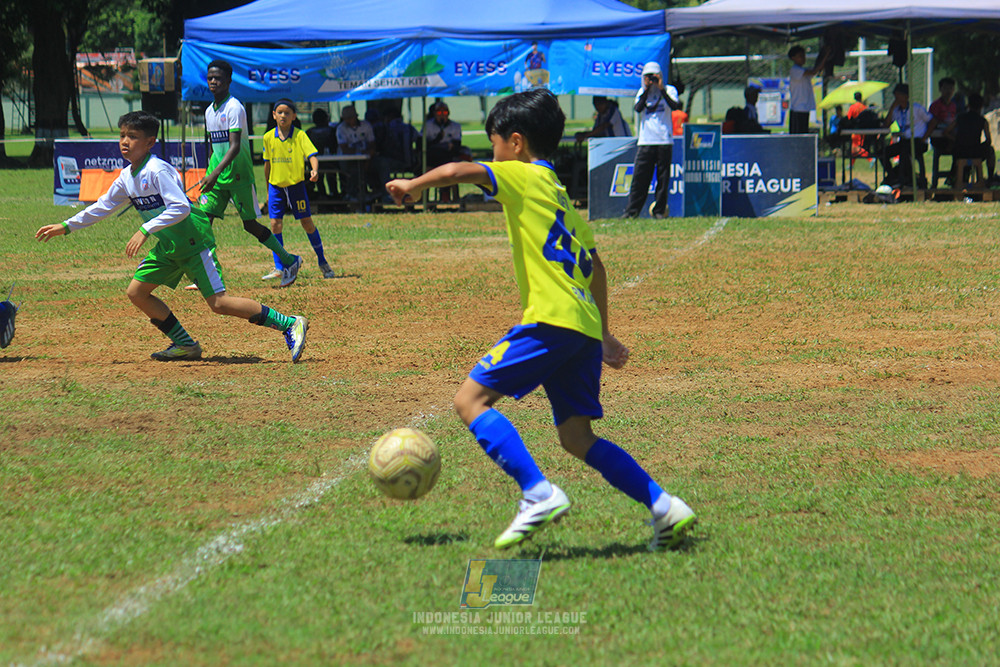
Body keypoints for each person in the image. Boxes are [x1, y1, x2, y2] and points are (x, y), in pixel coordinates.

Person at [385, 89, 697, 552]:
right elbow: (597, 267)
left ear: (515, 143)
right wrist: (605, 334)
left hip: (551, 320)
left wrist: (411, 184)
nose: (493, 155)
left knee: (470, 401)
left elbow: (456, 170)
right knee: (576, 436)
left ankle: (538, 492)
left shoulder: (521, 175)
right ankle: (664, 507)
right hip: (582, 328)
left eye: (495, 145)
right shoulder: (560, 195)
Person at [34, 111, 309, 363]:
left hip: (193, 242)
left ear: (150, 141)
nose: (125, 141)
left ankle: (289, 323)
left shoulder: (157, 169)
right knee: (137, 292)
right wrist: (66, 226)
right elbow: (102, 206)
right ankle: (185, 345)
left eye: (132, 136)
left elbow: (180, 207)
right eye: (122, 135)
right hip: (169, 247)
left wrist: (145, 229)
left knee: (219, 304)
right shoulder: (126, 176)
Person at [199, 60, 302, 289]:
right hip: (216, 175)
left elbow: (234, 146)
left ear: (228, 81)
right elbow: (213, 145)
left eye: (218, 78)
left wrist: (214, 173)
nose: (213, 82)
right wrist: (210, 170)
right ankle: (211, 272)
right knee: (203, 221)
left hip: (238, 175)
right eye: (210, 78)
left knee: (250, 225)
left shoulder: (234, 107)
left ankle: (289, 260)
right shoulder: (209, 111)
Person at [262, 99, 336, 281]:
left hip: (296, 187)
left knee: (307, 223)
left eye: (287, 113)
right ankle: (279, 267)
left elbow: (312, 156)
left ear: (294, 116)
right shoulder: (268, 137)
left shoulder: (300, 135)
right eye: (279, 112)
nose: (283, 116)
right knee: (275, 225)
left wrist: (315, 170)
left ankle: (322, 261)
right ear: (273, 115)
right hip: (276, 187)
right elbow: (267, 165)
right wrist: (267, 188)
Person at [624, 61, 681, 219]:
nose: (652, 80)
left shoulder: (670, 90)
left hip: (664, 140)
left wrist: (661, 88)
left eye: (654, 77)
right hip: (646, 141)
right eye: (648, 77)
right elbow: (638, 108)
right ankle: (632, 212)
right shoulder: (642, 92)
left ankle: (659, 211)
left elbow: (675, 105)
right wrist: (647, 88)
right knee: (640, 178)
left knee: (663, 179)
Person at [880, 83, 932, 187]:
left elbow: (932, 120)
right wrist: (891, 108)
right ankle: (892, 176)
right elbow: (886, 125)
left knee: (905, 150)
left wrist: (925, 137)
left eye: (899, 95)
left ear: (906, 96)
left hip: (918, 141)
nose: (897, 98)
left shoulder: (917, 109)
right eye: (895, 95)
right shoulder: (896, 111)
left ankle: (906, 179)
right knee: (883, 153)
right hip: (904, 141)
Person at [949, 92, 994, 187]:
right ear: (981, 106)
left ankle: (955, 178)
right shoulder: (982, 121)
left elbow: (946, 131)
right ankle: (990, 178)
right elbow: (989, 140)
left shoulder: (960, 118)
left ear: (968, 105)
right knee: (991, 150)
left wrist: (956, 139)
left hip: (960, 151)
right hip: (976, 151)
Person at [335, 105, 377, 200]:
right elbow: (344, 148)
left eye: (350, 118)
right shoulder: (341, 129)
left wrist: (368, 154)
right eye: (346, 119)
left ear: (356, 117)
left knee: (378, 165)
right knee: (354, 170)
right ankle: (352, 194)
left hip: (366, 158)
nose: (348, 121)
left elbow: (372, 144)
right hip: (347, 159)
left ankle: (377, 192)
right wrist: (360, 152)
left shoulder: (366, 126)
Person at [787, 45, 829, 134]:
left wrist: (824, 56)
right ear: (793, 58)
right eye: (800, 56)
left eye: (804, 56)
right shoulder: (795, 70)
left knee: (804, 132)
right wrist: (826, 55)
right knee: (798, 134)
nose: (803, 58)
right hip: (798, 108)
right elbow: (813, 71)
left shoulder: (803, 70)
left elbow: (816, 69)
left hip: (804, 108)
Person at [305, 108, 338, 199]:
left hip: (316, 163)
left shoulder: (309, 132)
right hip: (329, 162)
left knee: (320, 178)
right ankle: (333, 195)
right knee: (331, 177)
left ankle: (323, 195)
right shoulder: (332, 131)